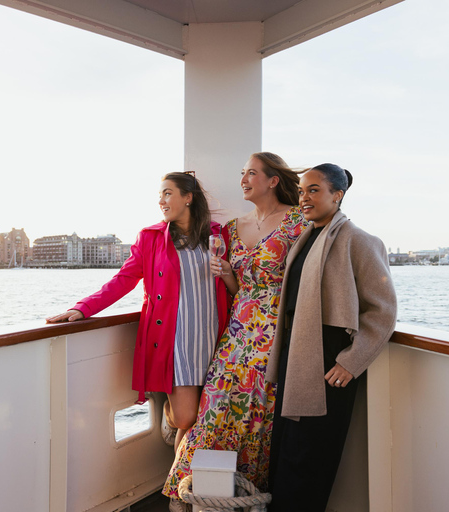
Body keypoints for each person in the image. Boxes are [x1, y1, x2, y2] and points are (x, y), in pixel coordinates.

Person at [46, 172, 230, 452]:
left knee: (209, 417)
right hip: (176, 340)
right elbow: (124, 280)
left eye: (168, 193)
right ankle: (171, 424)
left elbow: (234, 280)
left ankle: (184, 490)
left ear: (188, 197)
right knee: (186, 417)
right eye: (160, 195)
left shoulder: (218, 234)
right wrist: (83, 308)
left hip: (212, 335)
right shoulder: (151, 238)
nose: (161, 200)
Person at [163, 152, 304, 506]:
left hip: (274, 331)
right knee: (214, 406)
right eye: (242, 173)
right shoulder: (230, 228)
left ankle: (247, 492)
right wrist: (225, 271)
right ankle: (187, 490)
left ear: (273, 180)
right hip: (238, 329)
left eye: (252, 173)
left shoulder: (299, 222)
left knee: (258, 413)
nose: (243, 178)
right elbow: (236, 288)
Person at [266, 164, 397, 512]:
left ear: (337, 195)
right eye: (301, 190)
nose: (304, 198)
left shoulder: (360, 240)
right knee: (287, 449)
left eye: (314, 190)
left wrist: (351, 361)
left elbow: (382, 309)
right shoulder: (306, 238)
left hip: (329, 360)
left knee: (311, 456)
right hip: (299, 352)